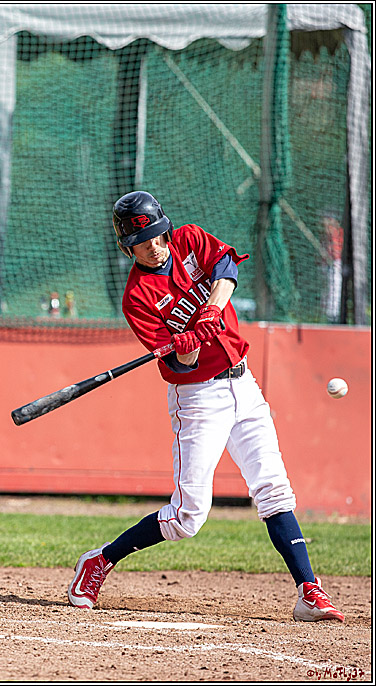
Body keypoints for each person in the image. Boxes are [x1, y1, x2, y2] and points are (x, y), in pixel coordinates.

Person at [66, 191, 344, 623]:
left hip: (244, 383)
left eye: (159, 236)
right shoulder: (137, 298)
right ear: (128, 247)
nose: (155, 247)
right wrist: (189, 344)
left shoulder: (189, 240)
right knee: (186, 517)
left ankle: (309, 590)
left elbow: (227, 267)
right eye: (144, 243)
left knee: (273, 488)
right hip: (198, 398)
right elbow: (181, 365)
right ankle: (100, 561)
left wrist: (211, 310)